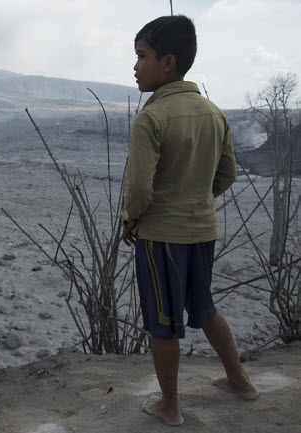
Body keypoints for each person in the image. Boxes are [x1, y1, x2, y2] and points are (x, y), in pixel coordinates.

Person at [121, 15, 259, 427]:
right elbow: (228, 174)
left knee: (162, 322)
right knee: (204, 306)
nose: (134, 66)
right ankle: (239, 381)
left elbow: (140, 189)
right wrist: (196, 199)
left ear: (167, 63)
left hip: (161, 236)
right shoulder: (213, 112)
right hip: (203, 231)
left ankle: (170, 406)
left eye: (141, 56)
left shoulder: (151, 117)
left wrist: (131, 220)